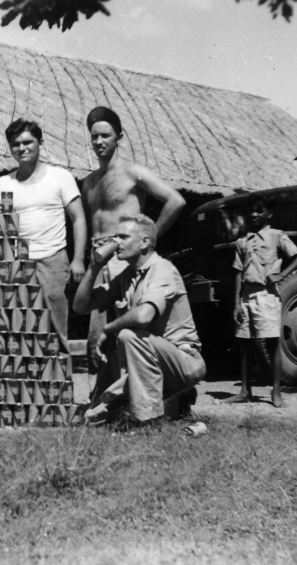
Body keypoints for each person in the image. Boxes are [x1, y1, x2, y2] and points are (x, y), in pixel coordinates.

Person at [81, 107, 186, 403]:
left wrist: (147, 238)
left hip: (124, 258)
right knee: (97, 336)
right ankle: (104, 397)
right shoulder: (89, 182)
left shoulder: (133, 173)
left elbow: (175, 201)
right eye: (94, 136)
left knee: (128, 330)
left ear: (119, 138)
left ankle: (142, 397)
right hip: (98, 260)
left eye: (106, 135)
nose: (99, 141)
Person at [73, 214, 205, 425]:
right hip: (150, 365)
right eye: (115, 237)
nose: (116, 243)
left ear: (144, 242)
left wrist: (108, 329)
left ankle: (149, 421)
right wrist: (94, 267)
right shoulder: (128, 276)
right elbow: (80, 306)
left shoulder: (162, 269)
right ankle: (173, 403)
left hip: (183, 360)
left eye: (123, 237)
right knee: (93, 417)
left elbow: (143, 316)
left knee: (128, 335)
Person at [0, 119, 87, 350]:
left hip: (52, 260)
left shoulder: (60, 176)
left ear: (40, 142)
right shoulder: (3, 183)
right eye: (15, 144)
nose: (21, 148)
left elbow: (78, 218)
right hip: (15, 263)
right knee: (18, 331)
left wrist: (79, 258)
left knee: (55, 329)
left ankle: (59, 384)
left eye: (27, 142)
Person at [224, 193, 297, 408]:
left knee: (271, 344)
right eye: (251, 210)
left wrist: (282, 275)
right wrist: (235, 303)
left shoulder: (276, 236)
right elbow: (236, 271)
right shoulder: (243, 241)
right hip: (245, 297)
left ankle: (276, 391)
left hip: (267, 296)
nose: (255, 214)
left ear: (269, 213)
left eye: (260, 210)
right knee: (244, 344)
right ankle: (245, 391)